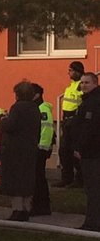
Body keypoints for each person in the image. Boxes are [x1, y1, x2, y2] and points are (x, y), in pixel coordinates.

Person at [0, 80, 42, 222]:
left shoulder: (17, 108)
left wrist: (3, 120)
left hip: (15, 150)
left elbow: (11, 126)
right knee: (27, 180)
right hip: (30, 149)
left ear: (18, 94)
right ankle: (26, 209)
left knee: (16, 180)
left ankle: (17, 210)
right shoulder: (35, 108)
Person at [73, 72, 100, 231]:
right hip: (91, 151)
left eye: (87, 83)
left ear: (95, 84)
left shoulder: (93, 102)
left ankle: (92, 222)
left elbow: (89, 129)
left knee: (93, 189)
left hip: (92, 152)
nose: (83, 85)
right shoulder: (88, 101)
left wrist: (79, 147)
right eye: (82, 83)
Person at [57, 60, 85, 188]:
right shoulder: (71, 86)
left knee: (74, 151)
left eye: (71, 70)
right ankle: (66, 178)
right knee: (64, 151)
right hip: (67, 120)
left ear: (77, 71)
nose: (69, 73)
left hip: (75, 121)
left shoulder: (81, 85)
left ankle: (79, 179)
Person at [31, 82, 55, 217]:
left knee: (38, 178)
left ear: (37, 95)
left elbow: (46, 130)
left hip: (39, 149)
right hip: (38, 148)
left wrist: (42, 148)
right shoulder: (37, 108)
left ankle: (42, 207)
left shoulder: (42, 109)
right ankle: (41, 206)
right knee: (38, 178)